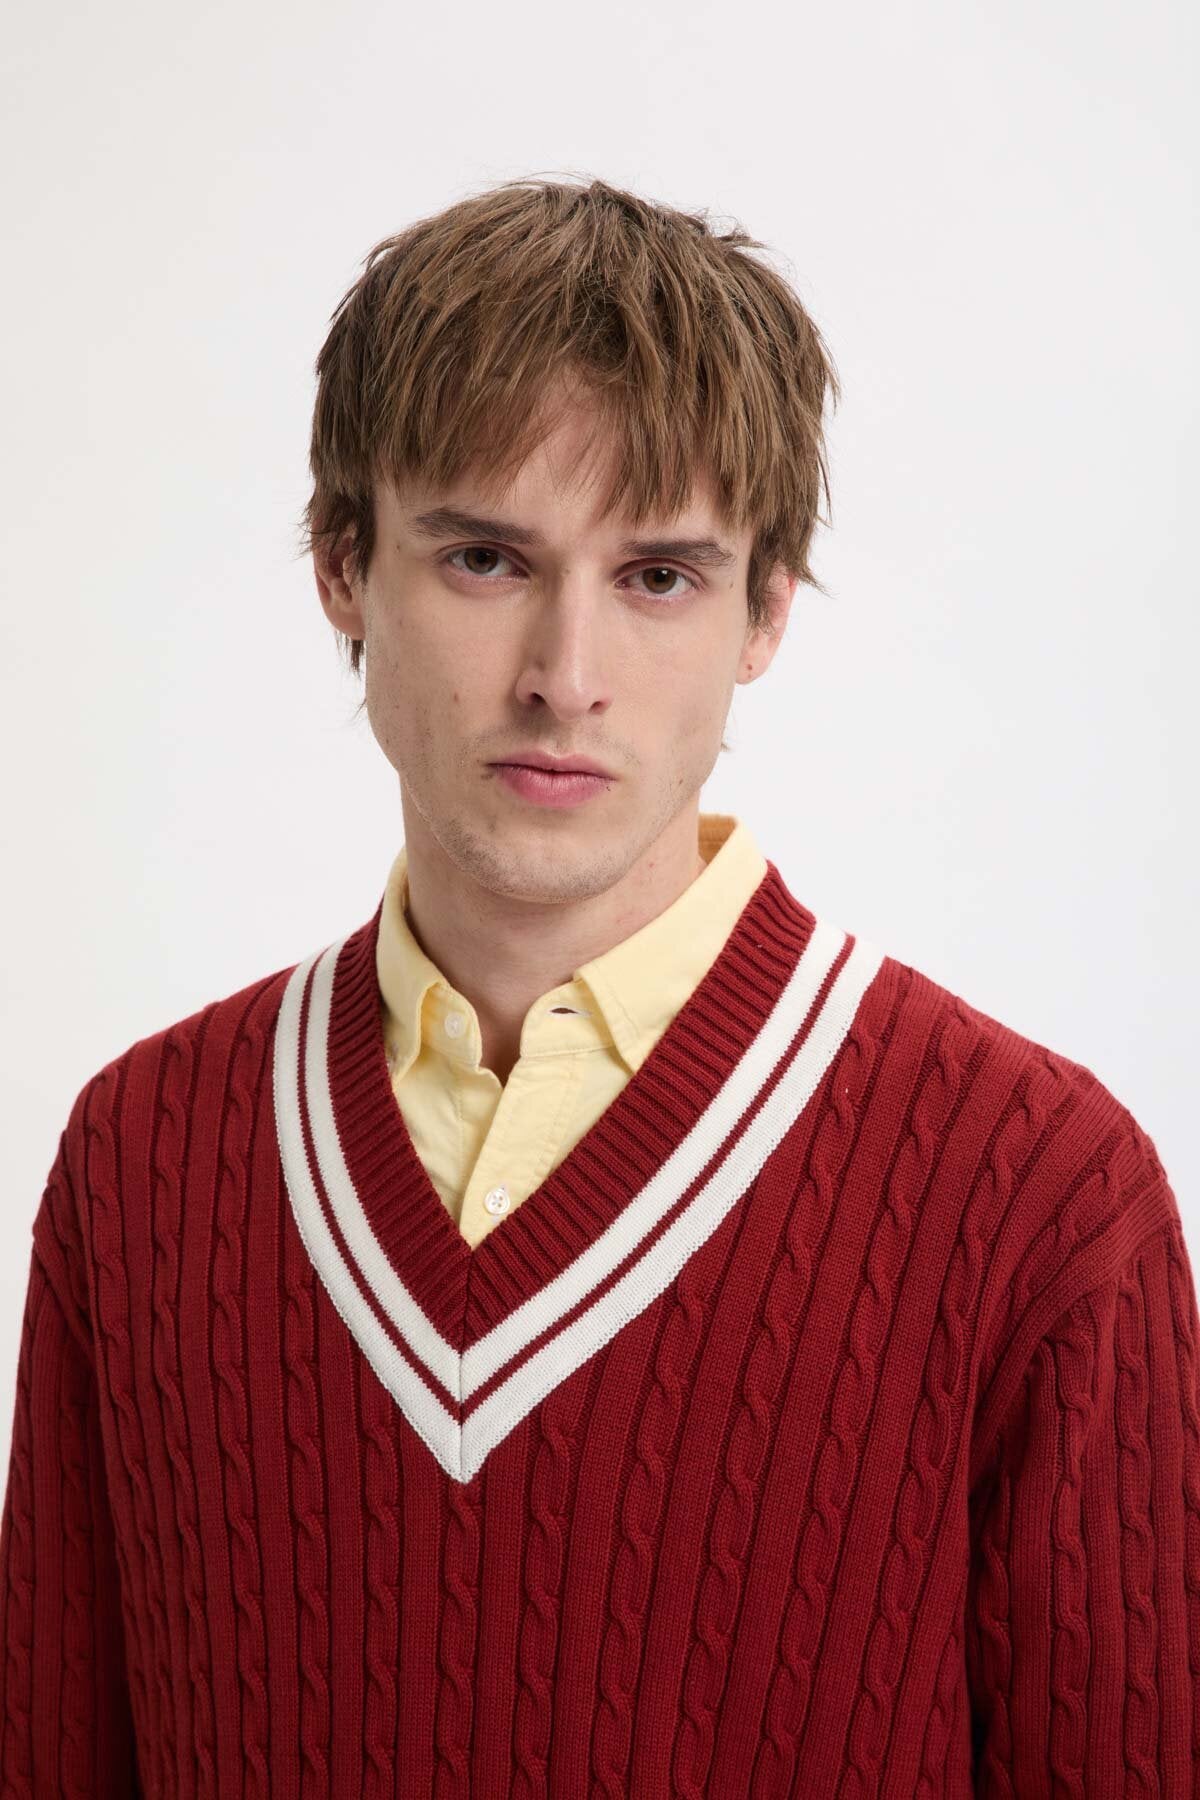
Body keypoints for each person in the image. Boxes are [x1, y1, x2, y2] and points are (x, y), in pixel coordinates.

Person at [0, 174, 1194, 1799]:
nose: (566, 677)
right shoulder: (143, 1163)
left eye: (659, 577)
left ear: (768, 610)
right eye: (488, 559)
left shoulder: (1039, 1194)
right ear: (342, 566)